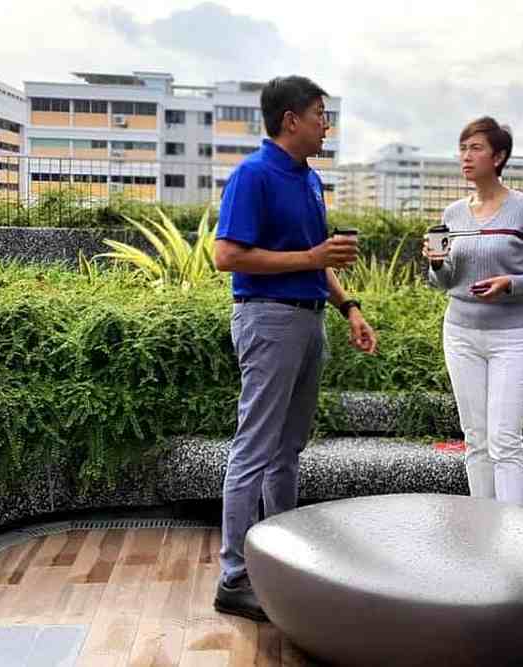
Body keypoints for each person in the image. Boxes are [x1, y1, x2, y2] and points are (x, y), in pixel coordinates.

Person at [212, 75, 377, 622]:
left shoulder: (310, 180)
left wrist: (349, 306)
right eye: (320, 115)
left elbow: (317, 258)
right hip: (268, 321)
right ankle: (234, 577)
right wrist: (309, 258)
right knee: (255, 448)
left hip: (309, 322)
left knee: (288, 451)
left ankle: (281, 560)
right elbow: (226, 256)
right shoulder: (253, 176)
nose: (326, 125)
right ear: (291, 120)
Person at [422, 117, 523, 507]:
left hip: (512, 337)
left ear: (498, 157)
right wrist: (436, 263)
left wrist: (511, 283)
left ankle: (516, 539)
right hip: (460, 333)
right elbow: (443, 283)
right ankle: (482, 531)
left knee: (505, 439)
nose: (466, 156)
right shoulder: (452, 214)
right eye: (463, 148)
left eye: (476, 148)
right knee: (475, 438)